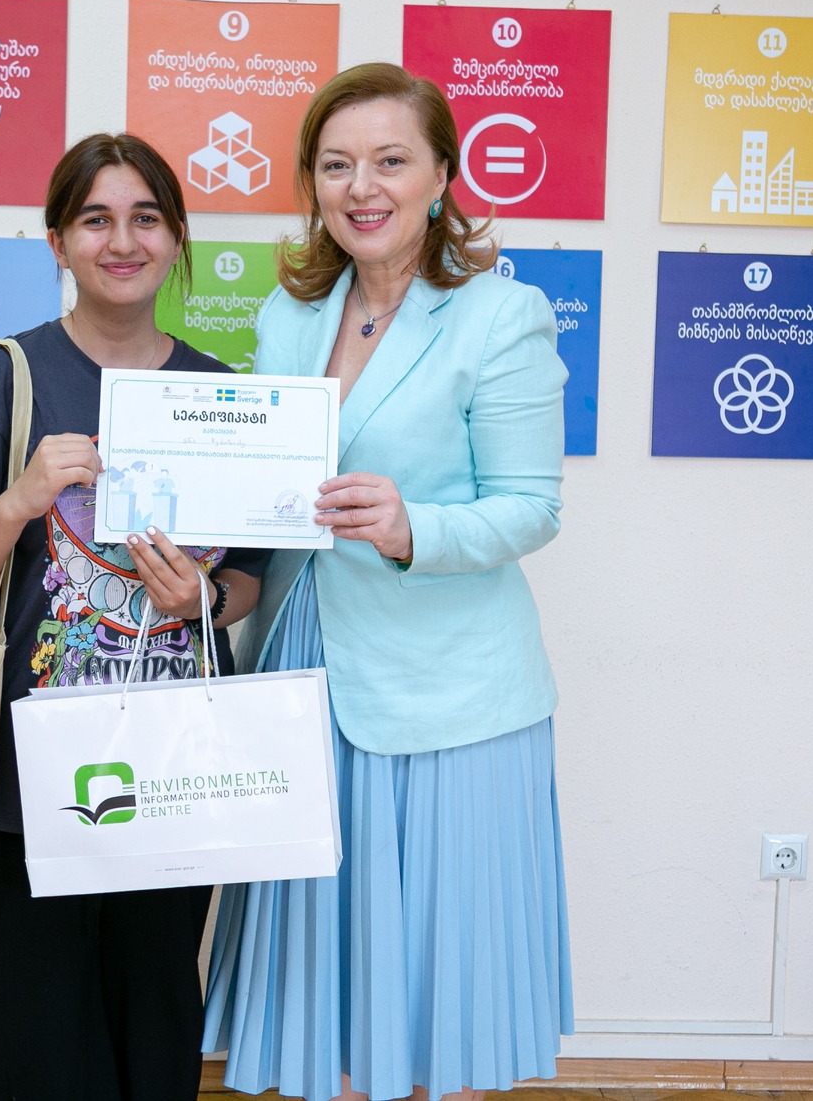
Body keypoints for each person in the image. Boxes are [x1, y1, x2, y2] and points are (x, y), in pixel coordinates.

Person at [204, 63, 573, 1101]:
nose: (361, 187)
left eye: (390, 161)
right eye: (335, 165)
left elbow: (532, 507)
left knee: (434, 973)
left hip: (445, 689)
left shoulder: (502, 315)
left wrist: (414, 528)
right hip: (303, 663)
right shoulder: (289, 314)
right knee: (323, 968)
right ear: (312, 184)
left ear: (442, 175)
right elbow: (266, 482)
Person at [0, 132, 270, 1101]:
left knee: (156, 1039)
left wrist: (201, 598)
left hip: (173, 776)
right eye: (95, 219)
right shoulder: (5, 377)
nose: (122, 241)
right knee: (37, 1051)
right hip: (19, 791)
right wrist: (21, 499)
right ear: (57, 242)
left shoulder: (222, 397)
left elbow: (247, 583)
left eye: (145, 218)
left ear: (177, 238)